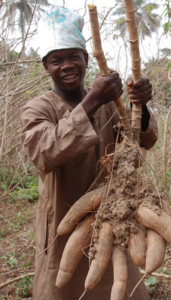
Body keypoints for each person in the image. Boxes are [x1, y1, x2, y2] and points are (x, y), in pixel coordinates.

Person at [21, 6, 158, 300]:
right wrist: (93, 99)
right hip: (62, 220)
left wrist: (140, 106)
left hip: (113, 217)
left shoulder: (111, 103)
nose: (66, 65)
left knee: (123, 287)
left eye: (74, 57)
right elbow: (43, 153)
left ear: (86, 59)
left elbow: (142, 140)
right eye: (56, 60)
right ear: (46, 67)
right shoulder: (38, 108)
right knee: (61, 288)